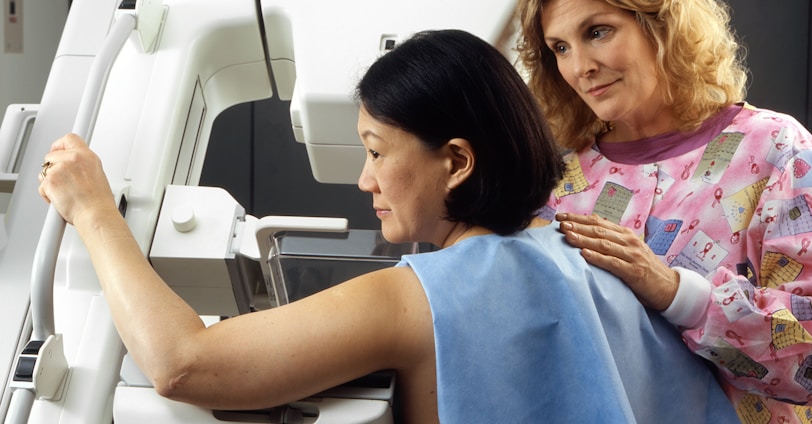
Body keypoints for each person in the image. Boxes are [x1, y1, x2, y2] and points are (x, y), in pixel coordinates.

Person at [37, 29, 737, 423]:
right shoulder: (603, 269)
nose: (365, 179)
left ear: (456, 161)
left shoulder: (420, 297)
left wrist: (93, 210)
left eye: (375, 151)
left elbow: (183, 365)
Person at [517, 0, 812, 421]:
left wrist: (678, 294)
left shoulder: (779, 151)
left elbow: (807, 365)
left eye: (597, 32)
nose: (580, 66)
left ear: (662, 27)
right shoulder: (558, 188)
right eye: (560, 48)